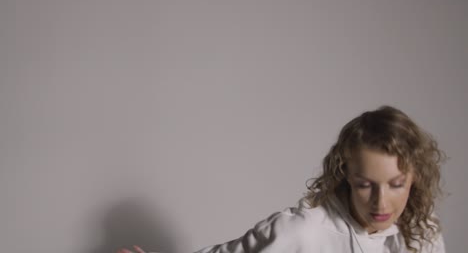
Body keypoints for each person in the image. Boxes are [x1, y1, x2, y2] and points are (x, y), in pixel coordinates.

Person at [118, 105, 447, 253]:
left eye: (396, 184)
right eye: (365, 184)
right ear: (346, 175)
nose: (381, 202)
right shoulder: (302, 231)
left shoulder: (424, 233)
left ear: (415, 176)